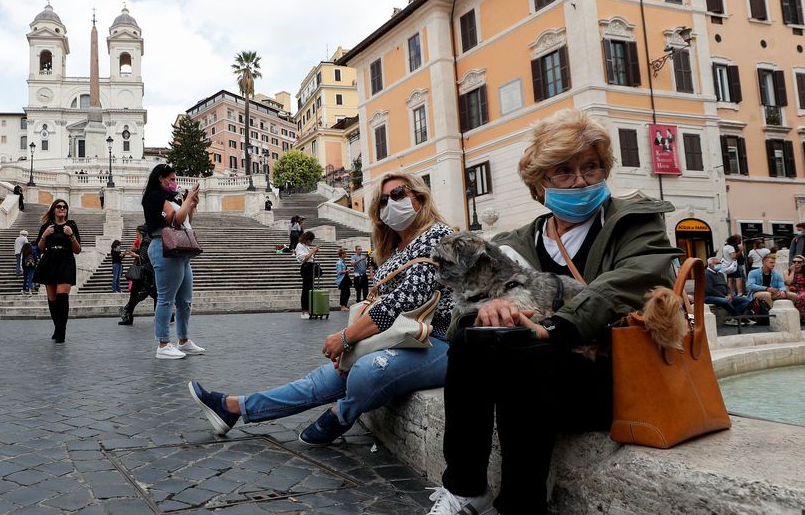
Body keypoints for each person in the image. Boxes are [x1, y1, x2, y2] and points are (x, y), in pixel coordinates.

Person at [427, 109, 681, 515]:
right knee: (468, 341)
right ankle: (465, 487)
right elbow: (459, 306)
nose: (580, 180)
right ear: (540, 184)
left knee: (528, 358)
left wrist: (556, 326)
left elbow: (633, 278)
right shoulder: (514, 242)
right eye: (563, 171)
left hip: (610, 373)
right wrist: (485, 312)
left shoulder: (635, 222)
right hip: (534, 375)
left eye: (591, 168)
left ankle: (521, 505)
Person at [188, 172, 455, 446]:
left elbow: (406, 299)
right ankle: (233, 407)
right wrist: (351, 343)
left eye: (398, 194)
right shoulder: (394, 249)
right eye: (383, 201)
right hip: (397, 341)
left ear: (419, 198)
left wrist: (346, 338)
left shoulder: (438, 236)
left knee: (366, 371)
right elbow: (384, 307)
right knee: (320, 380)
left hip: (437, 343)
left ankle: (342, 413)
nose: (389, 204)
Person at [142, 163, 206, 359]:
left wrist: (191, 204)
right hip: (164, 248)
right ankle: (162, 343)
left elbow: (186, 222)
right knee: (166, 298)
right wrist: (186, 200)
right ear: (160, 178)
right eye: (171, 179)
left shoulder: (172, 198)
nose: (174, 183)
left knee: (185, 300)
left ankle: (183, 340)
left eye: (175, 179)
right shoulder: (154, 198)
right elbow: (173, 220)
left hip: (180, 249)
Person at [33, 199, 82, 343]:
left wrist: (71, 235)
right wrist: (45, 235)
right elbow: (40, 248)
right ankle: (57, 327)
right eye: (59, 207)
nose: (62, 209)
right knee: (52, 299)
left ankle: (62, 332)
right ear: (54, 209)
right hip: (49, 260)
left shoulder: (71, 225)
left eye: (64, 207)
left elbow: (78, 250)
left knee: (62, 298)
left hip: (66, 260)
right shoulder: (47, 226)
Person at [120, 225, 159, 326]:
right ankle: (129, 317)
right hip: (144, 273)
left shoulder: (146, 241)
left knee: (155, 295)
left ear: (141, 232)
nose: (136, 234)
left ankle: (129, 317)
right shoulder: (146, 241)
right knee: (137, 295)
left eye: (137, 232)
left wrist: (135, 255)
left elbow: (145, 257)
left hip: (145, 273)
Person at [295, 231, 320, 319]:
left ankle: (309, 309)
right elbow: (303, 259)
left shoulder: (306, 247)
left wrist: (314, 251)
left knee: (310, 289)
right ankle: (304, 310)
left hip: (310, 267)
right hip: (306, 268)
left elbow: (310, 257)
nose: (311, 242)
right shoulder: (300, 246)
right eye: (310, 240)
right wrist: (312, 251)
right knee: (306, 289)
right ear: (307, 239)